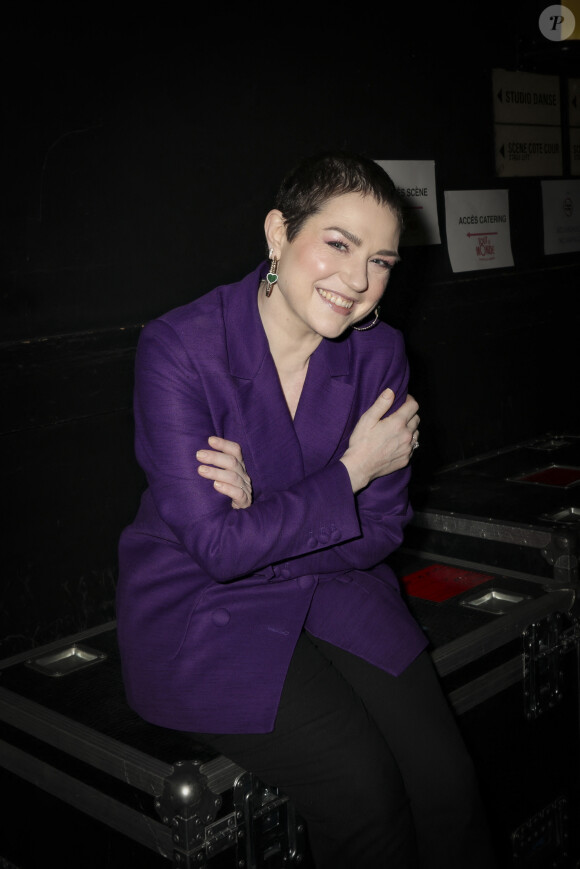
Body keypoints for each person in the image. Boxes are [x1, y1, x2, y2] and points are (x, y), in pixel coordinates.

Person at [116, 151, 497, 868]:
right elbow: (218, 553)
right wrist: (349, 473)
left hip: (340, 588)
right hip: (204, 609)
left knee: (449, 787)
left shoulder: (380, 354)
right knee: (366, 799)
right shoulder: (181, 348)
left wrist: (262, 511)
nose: (358, 281)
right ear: (277, 233)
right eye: (338, 244)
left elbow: (379, 530)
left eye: (381, 260)